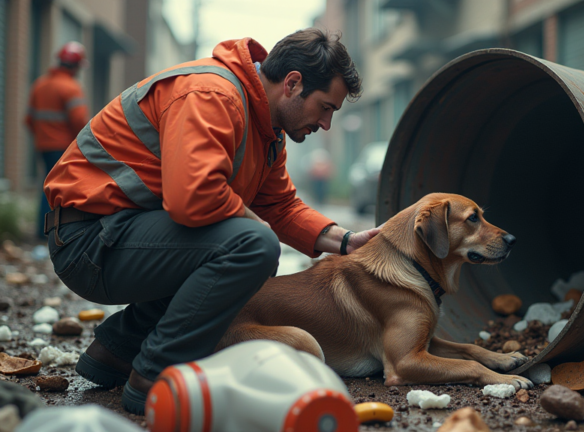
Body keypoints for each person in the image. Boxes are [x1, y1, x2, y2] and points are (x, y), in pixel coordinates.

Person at [43, 29, 378, 414]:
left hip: (120, 235)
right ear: (293, 83)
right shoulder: (211, 94)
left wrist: (347, 240)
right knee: (251, 245)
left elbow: (281, 206)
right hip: (88, 240)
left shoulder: (267, 129)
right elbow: (193, 198)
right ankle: (154, 375)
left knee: (247, 241)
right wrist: (257, 230)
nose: (326, 124)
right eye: (325, 108)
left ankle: (118, 349)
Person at [25, 42, 88, 240]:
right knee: (59, 190)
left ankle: (41, 231)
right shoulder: (71, 88)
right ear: (76, 66)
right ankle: (52, 232)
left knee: (46, 186)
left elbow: (28, 119)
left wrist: (43, 135)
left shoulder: (40, 85)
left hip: (43, 146)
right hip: (63, 147)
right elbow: (80, 123)